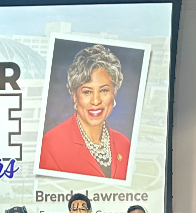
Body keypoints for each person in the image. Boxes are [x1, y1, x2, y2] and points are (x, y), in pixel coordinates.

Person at [38, 44, 131, 180]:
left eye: (104, 90)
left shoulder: (124, 143)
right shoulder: (51, 145)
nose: (95, 100)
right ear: (75, 96)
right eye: (87, 92)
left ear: (114, 93)